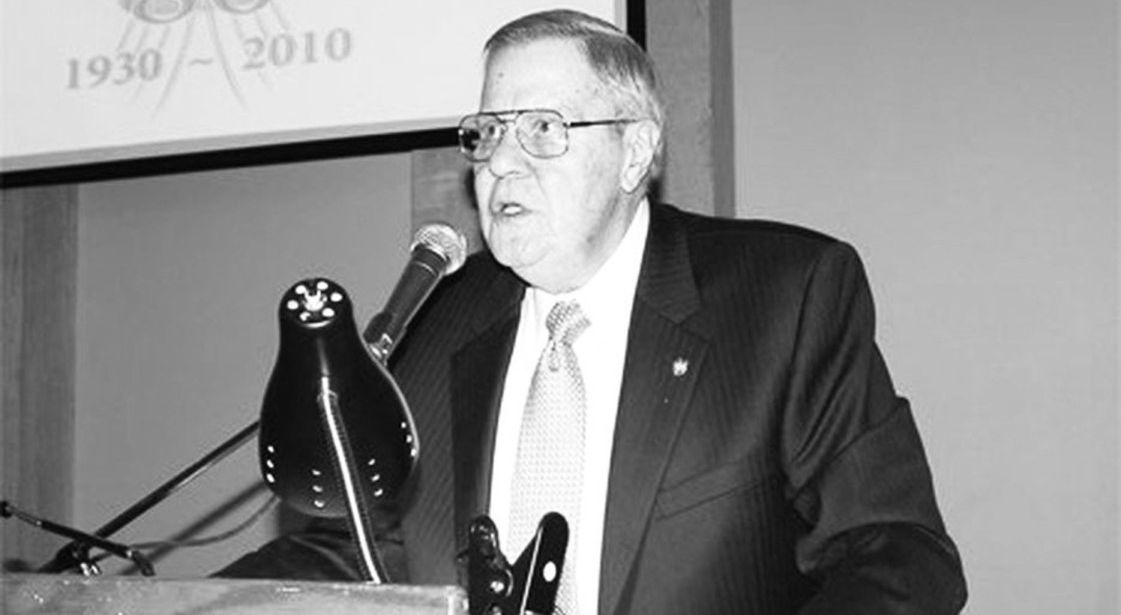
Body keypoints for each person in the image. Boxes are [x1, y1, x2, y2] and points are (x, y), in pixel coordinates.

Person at [219, 9, 967, 614]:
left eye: (542, 129)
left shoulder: (782, 298)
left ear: (634, 152)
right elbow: (358, 547)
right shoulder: (436, 323)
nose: (499, 161)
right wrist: (188, 603)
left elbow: (895, 552)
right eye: (487, 132)